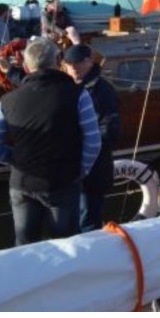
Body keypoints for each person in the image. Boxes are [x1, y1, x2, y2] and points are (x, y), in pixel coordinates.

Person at [0, 38, 101, 246]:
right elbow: (93, 142)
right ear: (58, 60)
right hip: (63, 182)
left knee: (24, 247)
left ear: (26, 67)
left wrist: (17, 159)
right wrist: (81, 170)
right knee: (66, 246)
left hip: (22, 183)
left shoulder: (7, 102)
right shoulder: (78, 95)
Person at [60, 44, 122, 232]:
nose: (73, 68)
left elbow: (111, 128)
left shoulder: (104, 91)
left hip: (93, 169)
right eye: (69, 64)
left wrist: (87, 148)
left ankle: (89, 257)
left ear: (89, 62)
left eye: (78, 63)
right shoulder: (65, 88)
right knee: (70, 218)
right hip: (70, 169)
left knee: (87, 217)